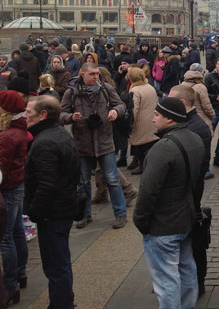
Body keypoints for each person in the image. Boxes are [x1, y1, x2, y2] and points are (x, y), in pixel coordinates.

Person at [133, 97, 205, 309]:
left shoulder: (162, 148)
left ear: (170, 119)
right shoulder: (195, 139)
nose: (153, 119)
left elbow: (148, 191)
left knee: (167, 280)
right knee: (186, 269)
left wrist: (141, 221)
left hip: (163, 226)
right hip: (185, 220)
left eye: (157, 115)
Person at [24, 96, 80, 309]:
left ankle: (62, 304)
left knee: (56, 265)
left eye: (29, 112)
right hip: (62, 208)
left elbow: (47, 184)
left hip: (53, 213)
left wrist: (35, 212)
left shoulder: (45, 142)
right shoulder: (58, 135)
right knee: (60, 262)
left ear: (43, 115)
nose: (25, 115)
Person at [59, 62, 128, 230]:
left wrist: (115, 112)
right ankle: (84, 215)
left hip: (104, 141)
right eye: (92, 74)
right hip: (82, 143)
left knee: (112, 179)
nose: (96, 77)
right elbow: (61, 114)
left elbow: (121, 105)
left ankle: (120, 213)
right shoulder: (72, 92)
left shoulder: (105, 88)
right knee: (82, 182)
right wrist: (70, 117)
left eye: (97, 74)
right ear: (83, 74)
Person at [0, 91, 29, 305]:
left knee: (5, 237)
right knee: (17, 230)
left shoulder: (8, 135)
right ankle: (20, 274)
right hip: (18, 184)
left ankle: (11, 285)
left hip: (10, 186)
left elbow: (1, 166)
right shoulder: (19, 129)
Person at [126, 67, 159, 175]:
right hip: (152, 120)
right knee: (150, 144)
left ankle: (142, 166)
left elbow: (133, 109)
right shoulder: (149, 86)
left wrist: (131, 123)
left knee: (140, 146)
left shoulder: (135, 90)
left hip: (141, 121)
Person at [182, 64, 216, 135]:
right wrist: (212, 115)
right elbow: (206, 106)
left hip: (186, 118)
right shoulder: (200, 87)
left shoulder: (183, 84)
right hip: (201, 118)